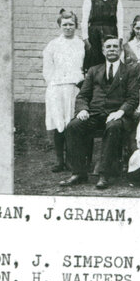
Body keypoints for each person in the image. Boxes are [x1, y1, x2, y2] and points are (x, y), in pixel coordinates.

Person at [61, 36, 140, 189]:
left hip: (117, 115)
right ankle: (78, 172)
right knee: (73, 126)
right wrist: (83, 109)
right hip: (95, 114)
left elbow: (133, 98)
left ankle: (104, 174)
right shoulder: (93, 70)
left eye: (115, 46)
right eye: (108, 47)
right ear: (103, 51)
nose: (111, 49)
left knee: (113, 127)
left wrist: (121, 111)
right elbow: (83, 95)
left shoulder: (129, 71)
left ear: (120, 50)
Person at [42, 9, 85, 172]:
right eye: (65, 24)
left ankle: (72, 160)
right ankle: (60, 160)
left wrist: (79, 82)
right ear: (60, 25)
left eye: (71, 24)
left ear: (76, 25)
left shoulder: (81, 43)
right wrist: (54, 83)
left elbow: (84, 66)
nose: (68, 27)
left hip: (74, 88)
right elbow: (47, 70)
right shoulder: (52, 45)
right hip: (57, 89)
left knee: (72, 124)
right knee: (59, 124)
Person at [81, 0, 124, 71]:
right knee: (94, 65)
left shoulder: (117, 1)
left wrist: (120, 40)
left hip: (111, 34)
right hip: (93, 36)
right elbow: (84, 21)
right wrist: (86, 40)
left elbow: (120, 23)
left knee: (109, 64)